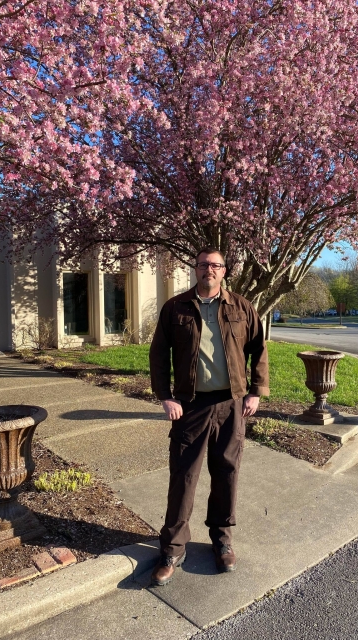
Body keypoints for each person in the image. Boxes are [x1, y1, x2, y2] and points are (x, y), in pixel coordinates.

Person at [149, 247, 269, 586]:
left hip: (232, 404)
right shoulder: (175, 308)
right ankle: (172, 548)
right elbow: (158, 354)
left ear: (224, 271)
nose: (209, 270)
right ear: (195, 269)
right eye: (203, 265)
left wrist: (256, 391)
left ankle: (222, 539)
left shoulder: (242, 307)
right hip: (191, 405)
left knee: (227, 472)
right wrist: (166, 397)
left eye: (215, 265)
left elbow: (259, 349)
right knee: (183, 477)